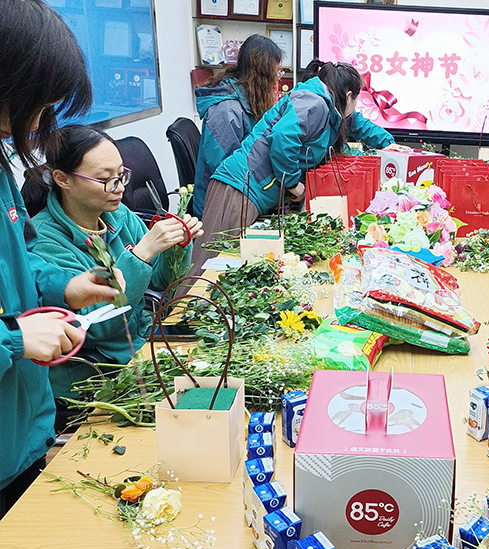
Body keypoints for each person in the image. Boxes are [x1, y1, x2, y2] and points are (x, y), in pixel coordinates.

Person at [0, 0, 126, 518]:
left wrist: (63, 287)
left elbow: (18, 263)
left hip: (22, 430)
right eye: (37, 102)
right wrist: (13, 339)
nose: (37, 121)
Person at [27, 125, 203, 400]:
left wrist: (176, 245)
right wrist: (140, 254)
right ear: (62, 179)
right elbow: (98, 328)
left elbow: (160, 282)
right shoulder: (44, 241)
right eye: (105, 179)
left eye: (121, 175)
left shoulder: (118, 215)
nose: (120, 188)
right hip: (97, 378)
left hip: (140, 347)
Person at [191, 59, 406, 272]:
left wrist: (387, 143)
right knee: (211, 268)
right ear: (349, 95)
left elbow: (356, 122)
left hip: (251, 190)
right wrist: (294, 183)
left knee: (234, 266)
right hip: (239, 188)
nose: (355, 108)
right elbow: (283, 137)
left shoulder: (330, 104)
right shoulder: (315, 103)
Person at [193, 34, 284, 217]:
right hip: (219, 207)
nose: (278, 79)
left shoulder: (249, 100)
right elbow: (227, 173)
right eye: (277, 72)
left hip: (239, 198)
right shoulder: (226, 111)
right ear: (263, 74)